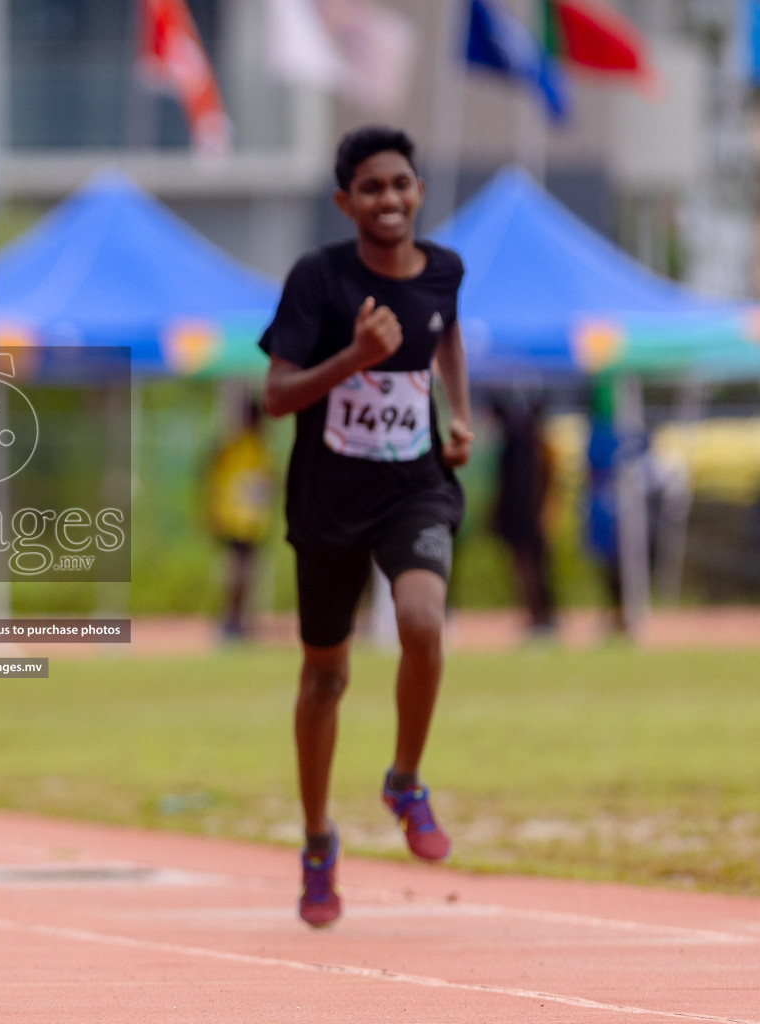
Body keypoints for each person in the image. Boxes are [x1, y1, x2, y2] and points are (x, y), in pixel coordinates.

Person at [258, 126, 472, 928]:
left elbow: (442, 333)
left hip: (414, 484)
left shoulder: (445, 270)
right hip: (326, 500)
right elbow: (277, 395)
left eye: (401, 184)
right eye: (372, 188)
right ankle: (317, 841)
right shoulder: (318, 279)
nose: (390, 199)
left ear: (418, 190)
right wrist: (352, 358)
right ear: (346, 201)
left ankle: (404, 780)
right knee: (326, 677)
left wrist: (457, 413)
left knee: (421, 620)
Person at [204, 397, 275, 639]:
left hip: (252, 523)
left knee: (246, 575)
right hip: (235, 521)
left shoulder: (259, 447)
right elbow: (216, 479)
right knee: (237, 573)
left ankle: (239, 620)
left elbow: (266, 484)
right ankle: (231, 620)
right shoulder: (234, 447)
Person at [489, 389, 558, 637]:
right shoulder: (527, 445)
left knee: (530, 567)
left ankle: (541, 616)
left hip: (527, 515)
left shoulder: (530, 447)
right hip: (524, 514)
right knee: (529, 567)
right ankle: (537, 615)